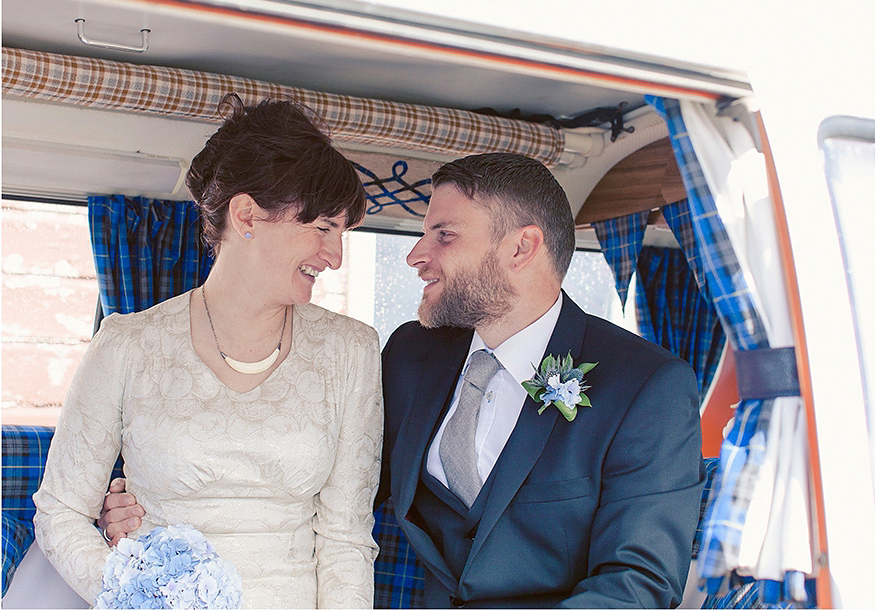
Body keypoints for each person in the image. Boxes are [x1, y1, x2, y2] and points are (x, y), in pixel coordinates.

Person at [101, 152, 704, 607]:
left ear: (522, 249)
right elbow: (332, 486)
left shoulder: (646, 387)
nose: (415, 255)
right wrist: (160, 509)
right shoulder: (413, 355)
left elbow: (638, 583)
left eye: (443, 235)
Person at [33, 94, 383, 609]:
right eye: (323, 228)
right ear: (247, 215)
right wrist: (136, 598)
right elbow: (60, 512)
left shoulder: (352, 352)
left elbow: (346, 538)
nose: (333, 256)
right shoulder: (128, 345)